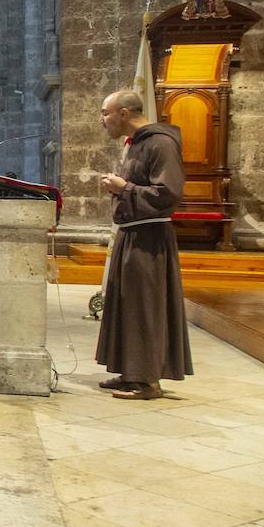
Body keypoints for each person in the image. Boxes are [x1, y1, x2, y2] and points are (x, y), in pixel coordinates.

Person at [95, 89, 192, 400]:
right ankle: (131, 373)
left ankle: (148, 381)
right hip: (133, 233)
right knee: (129, 304)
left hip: (150, 238)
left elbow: (169, 192)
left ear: (124, 113)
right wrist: (122, 188)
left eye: (105, 113)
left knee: (146, 307)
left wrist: (125, 188)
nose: (102, 120)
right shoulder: (138, 144)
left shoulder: (161, 143)